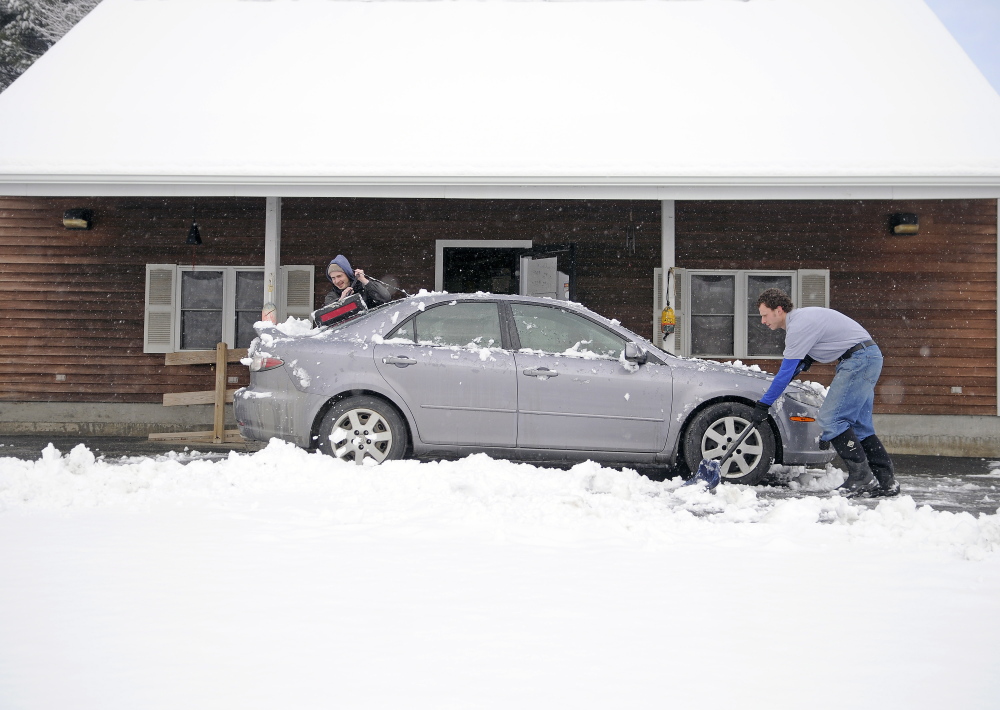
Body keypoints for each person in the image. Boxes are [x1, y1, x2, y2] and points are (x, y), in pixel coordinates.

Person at [751, 288, 899, 498]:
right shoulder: (802, 319)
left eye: (765, 315)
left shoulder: (798, 326)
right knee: (860, 426)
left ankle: (861, 477)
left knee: (832, 419)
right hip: (867, 356)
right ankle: (886, 481)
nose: (763, 321)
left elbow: (784, 373)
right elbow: (808, 355)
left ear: (779, 310)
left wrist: (763, 404)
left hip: (858, 360)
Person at [324, 254, 391, 308]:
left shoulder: (365, 288)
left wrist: (364, 280)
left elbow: (385, 297)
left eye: (339, 276)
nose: (337, 281)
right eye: (333, 278)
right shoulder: (331, 297)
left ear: (348, 275)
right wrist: (341, 301)